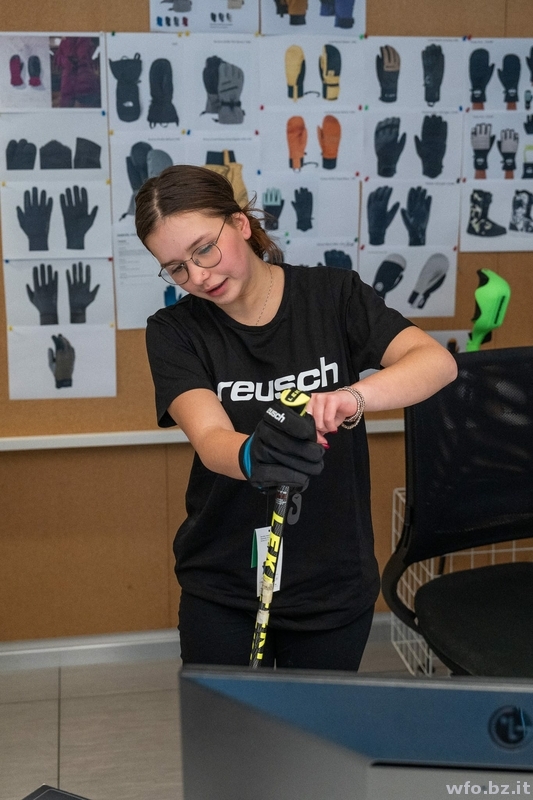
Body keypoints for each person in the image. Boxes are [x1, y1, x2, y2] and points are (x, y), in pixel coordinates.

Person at [135, 165, 457, 671]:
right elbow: (210, 436)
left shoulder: (333, 296)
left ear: (240, 224)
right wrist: (253, 454)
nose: (197, 276)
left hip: (332, 579)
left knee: (312, 744)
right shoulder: (175, 331)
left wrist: (352, 397)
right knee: (230, 741)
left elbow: (435, 362)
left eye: (204, 249)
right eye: (176, 267)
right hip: (226, 581)